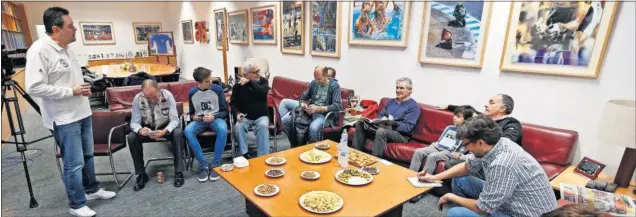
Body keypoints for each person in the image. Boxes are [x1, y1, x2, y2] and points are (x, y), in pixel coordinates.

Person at [25, 7, 116, 217]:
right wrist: (70, 91)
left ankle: (92, 189)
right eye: (71, 26)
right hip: (63, 118)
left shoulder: (66, 48)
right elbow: (34, 87)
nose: (75, 29)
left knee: (88, 156)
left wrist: (83, 86)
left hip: (82, 112)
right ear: (56, 29)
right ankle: (76, 204)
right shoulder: (39, 51)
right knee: (73, 163)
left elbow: (68, 79)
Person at [418, 115, 556, 217]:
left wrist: (450, 196)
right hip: (511, 200)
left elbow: (482, 208)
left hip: (522, 214)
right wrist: (435, 177)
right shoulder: (498, 143)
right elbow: (468, 166)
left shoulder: (502, 164)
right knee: (461, 180)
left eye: (466, 145)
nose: (466, 149)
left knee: (455, 213)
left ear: (480, 143)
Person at [408, 106, 476, 203]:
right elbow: (439, 141)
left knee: (432, 157)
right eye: (454, 115)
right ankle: (409, 180)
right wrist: (432, 146)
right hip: (437, 146)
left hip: (449, 151)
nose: (454, 118)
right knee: (419, 151)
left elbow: (463, 147)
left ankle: (421, 189)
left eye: (458, 116)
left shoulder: (466, 132)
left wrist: (459, 154)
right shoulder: (449, 127)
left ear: (466, 119)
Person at [128, 79, 185, 190]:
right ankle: (141, 175)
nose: (151, 100)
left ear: (158, 89)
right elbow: (134, 122)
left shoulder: (168, 96)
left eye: (153, 96)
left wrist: (165, 131)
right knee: (131, 137)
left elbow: (174, 120)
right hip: (147, 127)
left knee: (178, 133)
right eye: (147, 97)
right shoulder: (137, 99)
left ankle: (178, 172)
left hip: (165, 126)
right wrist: (139, 130)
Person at [440, 94, 523, 170]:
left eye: (491, 103)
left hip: (497, 163)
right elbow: (468, 110)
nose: (486, 105)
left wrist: (466, 157)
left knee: (452, 164)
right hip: (479, 159)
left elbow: (504, 143)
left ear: (502, 108)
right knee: (451, 161)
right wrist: (448, 106)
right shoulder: (485, 118)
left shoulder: (512, 124)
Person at [352, 77, 420, 158]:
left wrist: (392, 124)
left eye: (401, 88)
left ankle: (374, 163)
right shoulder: (391, 101)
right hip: (384, 128)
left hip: (401, 135)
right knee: (360, 123)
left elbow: (407, 128)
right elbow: (380, 116)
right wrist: (376, 122)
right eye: (397, 87)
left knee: (381, 131)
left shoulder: (413, 106)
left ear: (410, 90)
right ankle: (355, 156)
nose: (398, 90)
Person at [183, 67, 229, 182]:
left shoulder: (218, 90)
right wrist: (193, 117)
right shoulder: (192, 93)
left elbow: (225, 111)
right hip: (200, 120)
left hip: (215, 118)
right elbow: (192, 113)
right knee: (188, 131)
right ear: (199, 82)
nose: (210, 82)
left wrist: (214, 116)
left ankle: (215, 164)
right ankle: (203, 165)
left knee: (223, 129)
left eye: (210, 79)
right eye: (207, 81)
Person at [279, 65, 342, 143]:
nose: (317, 81)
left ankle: (313, 152)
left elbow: (337, 106)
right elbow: (303, 97)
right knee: (285, 121)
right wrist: (303, 105)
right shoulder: (314, 83)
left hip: (324, 116)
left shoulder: (334, 86)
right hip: (309, 112)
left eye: (319, 79)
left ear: (326, 76)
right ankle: (295, 144)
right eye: (315, 79)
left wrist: (318, 108)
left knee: (313, 128)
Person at [231, 62, 270, 159]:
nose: (258, 74)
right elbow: (233, 103)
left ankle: (262, 155)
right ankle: (244, 153)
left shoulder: (263, 81)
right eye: (254, 72)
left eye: (258, 71)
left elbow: (262, 92)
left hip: (261, 115)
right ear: (245, 74)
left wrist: (250, 82)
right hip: (245, 116)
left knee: (263, 126)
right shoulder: (238, 86)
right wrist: (237, 113)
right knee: (238, 126)